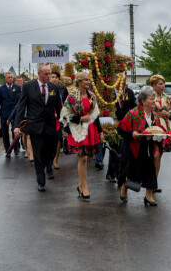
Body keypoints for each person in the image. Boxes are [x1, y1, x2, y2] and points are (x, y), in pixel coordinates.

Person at [14, 65, 63, 192]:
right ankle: (40, 180)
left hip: (50, 125)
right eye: (46, 74)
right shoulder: (28, 87)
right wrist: (16, 126)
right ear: (39, 74)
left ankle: (48, 165)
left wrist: (63, 124)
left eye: (49, 74)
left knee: (51, 151)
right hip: (35, 125)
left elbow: (59, 107)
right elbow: (21, 106)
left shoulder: (54, 88)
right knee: (38, 153)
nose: (48, 76)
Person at [59, 72, 103, 201]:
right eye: (85, 80)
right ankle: (84, 186)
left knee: (86, 157)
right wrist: (80, 118)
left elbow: (96, 115)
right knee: (83, 157)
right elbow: (65, 115)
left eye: (89, 80)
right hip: (77, 129)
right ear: (78, 81)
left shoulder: (92, 96)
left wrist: (100, 132)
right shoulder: (72, 97)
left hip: (91, 129)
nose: (88, 82)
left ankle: (80, 185)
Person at [117, 88, 165, 206]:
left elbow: (157, 131)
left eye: (154, 99)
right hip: (134, 147)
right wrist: (131, 134)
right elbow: (120, 128)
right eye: (151, 99)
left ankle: (148, 196)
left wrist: (161, 136)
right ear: (143, 101)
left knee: (150, 170)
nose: (154, 101)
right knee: (132, 171)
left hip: (148, 147)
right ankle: (124, 188)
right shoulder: (133, 113)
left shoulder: (155, 116)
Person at [106, 74, 136, 183]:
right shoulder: (109, 93)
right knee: (115, 149)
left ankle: (119, 175)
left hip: (126, 126)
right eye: (119, 81)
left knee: (123, 151)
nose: (122, 83)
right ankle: (112, 173)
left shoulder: (129, 92)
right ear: (114, 80)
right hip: (114, 124)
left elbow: (134, 107)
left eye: (123, 81)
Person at [151, 74, 171, 192]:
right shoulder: (149, 97)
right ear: (154, 85)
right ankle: (150, 180)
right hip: (153, 127)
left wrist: (168, 114)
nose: (163, 86)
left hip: (164, 128)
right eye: (160, 84)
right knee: (154, 155)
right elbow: (143, 109)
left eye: (163, 83)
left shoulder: (168, 98)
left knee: (159, 155)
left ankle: (154, 182)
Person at [0, 72, 21, 157]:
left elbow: (20, 101)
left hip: (15, 114)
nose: (10, 79)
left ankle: (15, 147)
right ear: (5, 79)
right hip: (5, 113)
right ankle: (7, 149)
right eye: (8, 77)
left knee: (14, 132)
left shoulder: (17, 88)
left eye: (11, 77)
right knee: (5, 133)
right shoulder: (1, 89)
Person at [8, 77, 33, 162]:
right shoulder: (20, 95)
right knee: (24, 135)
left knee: (29, 135)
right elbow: (16, 108)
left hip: (31, 117)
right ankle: (26, 150)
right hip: (23, 118)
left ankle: (31, 154)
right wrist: (11, 118)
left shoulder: (34, 95)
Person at [50, 71, 69, 170]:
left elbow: (67, 103)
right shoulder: (46, 89)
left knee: (58, 139)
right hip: (49, 118)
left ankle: (56, 159)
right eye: (52, 77)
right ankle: (49, 158)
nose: (54, 79)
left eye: (56, 77)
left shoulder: (62, 89)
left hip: (60, 118)